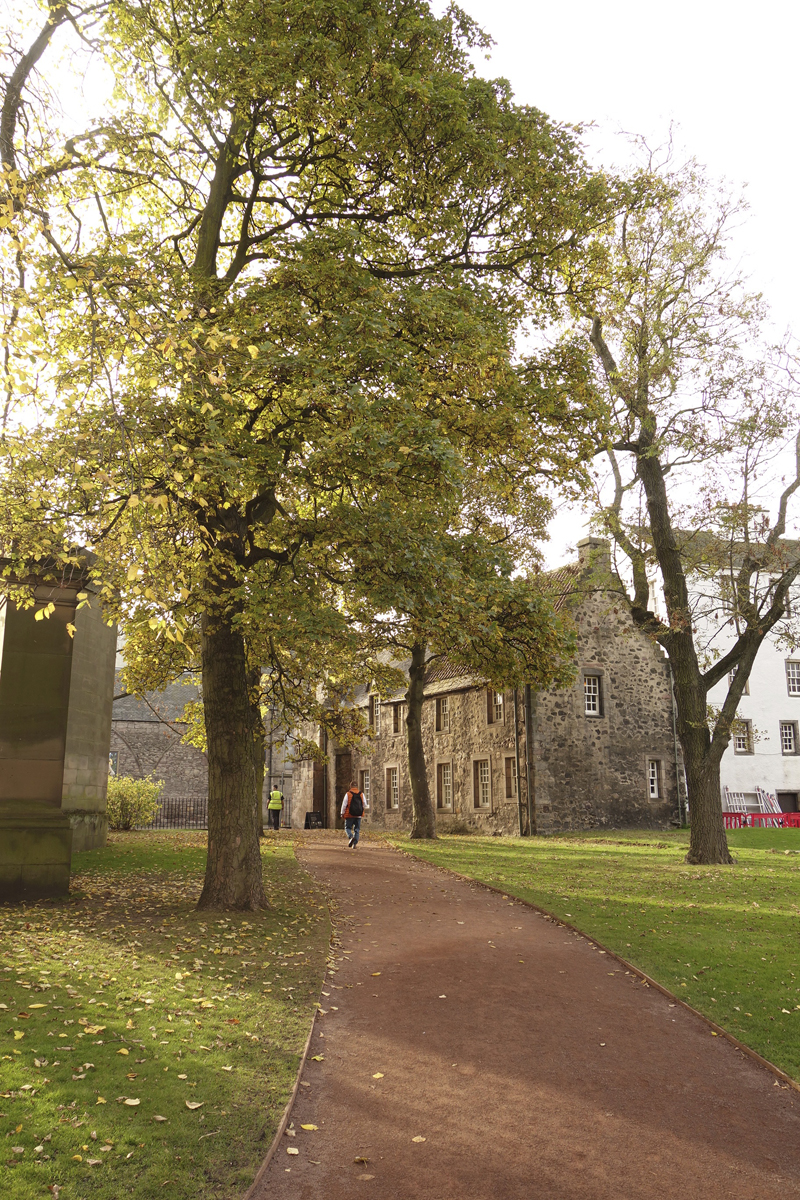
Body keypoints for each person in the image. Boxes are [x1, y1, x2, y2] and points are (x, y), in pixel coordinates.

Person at [341, 780, 366, 848]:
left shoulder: (348, 794)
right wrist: (360, 810)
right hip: (358, 815)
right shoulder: (361, 794)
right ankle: (354, 844)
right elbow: (365, 804)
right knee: (357, 829)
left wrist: (342, 813)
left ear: (350, 786)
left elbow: (344, 805)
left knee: (347, 828)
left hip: (349, 814)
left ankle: (351, 837)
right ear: (357, 786)